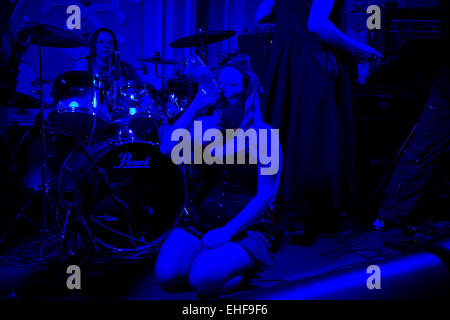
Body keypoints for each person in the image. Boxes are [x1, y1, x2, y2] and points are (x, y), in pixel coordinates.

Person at [155, 54, 281, 297]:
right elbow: (166, 149)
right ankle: (212, 260)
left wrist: (227, 232)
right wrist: (196, 104)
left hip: (244, 227)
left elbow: (266, 195)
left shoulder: (265, 135)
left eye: (232, 84)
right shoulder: (203, 126)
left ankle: (238, 266)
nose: (223, 86)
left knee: (202, 280)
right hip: (201, 222)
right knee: (167, 277)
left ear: (247, 92)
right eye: (220, 81)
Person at [257, 0, 382, 241]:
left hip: (285, 60)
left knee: (287, 134)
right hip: (312, 61)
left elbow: (260, 14)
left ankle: (287, 213)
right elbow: (317, 24)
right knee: (314, 136)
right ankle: (311, 215)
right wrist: (357, 48)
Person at [73, 28, 139, 83]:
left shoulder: (118, 68)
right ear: (94, 45)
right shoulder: (83, 63)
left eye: (110, 43)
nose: (106, 46)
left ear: (114, 48)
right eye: (101, 42)